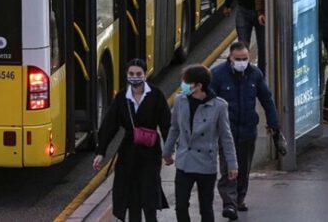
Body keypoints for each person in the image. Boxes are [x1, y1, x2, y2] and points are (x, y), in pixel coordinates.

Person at [93, 58, 171, 222]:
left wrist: (168, 150)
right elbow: (109, 126)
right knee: (132, 200)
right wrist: (101, 152)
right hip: (128, 153)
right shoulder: (122, 97)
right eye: (131, 74)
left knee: (150, 199)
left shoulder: (156, 95)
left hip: (151, 153)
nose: (135, 77)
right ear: (126, 75)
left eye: (138, 74)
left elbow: (166, 124)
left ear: (145, 74)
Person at [212, 41, 281, 219]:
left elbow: (267, 99)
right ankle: (230, 203)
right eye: (238, 59)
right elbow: (209, 103)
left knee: (243, 168)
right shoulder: (217, 75)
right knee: (229, 169)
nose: (242, 62)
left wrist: (274, 125)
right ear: (230, 58)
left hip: (248, 130)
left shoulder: (255, 74)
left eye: (245, 59)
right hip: (226, 132)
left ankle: (239, 198)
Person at [162, 64, 237, 222]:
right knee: (181, 206)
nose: (183, 85)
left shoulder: (219, 106)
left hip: (206, 164)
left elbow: (226, 137)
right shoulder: (180, 101)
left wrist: (232, 164)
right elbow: (174, 128)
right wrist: (166, 152)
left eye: (186, 82)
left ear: (198, 86)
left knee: (206, 208)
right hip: (184, 162)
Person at [222, 0, 266, 73]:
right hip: (243, 10)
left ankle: (261, 76)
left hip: (261, 13)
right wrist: (228, 4)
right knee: (242, 45)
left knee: (263, 48)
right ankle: (242, 74)